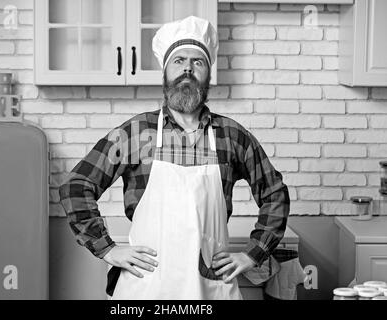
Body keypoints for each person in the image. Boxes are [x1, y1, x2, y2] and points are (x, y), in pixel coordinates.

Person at [59, 16, 290, 300]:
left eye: (198, 62)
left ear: (208, 74)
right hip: (147, 285)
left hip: (209, 288)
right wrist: (107, 248)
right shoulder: (137, 133)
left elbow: (274, 193)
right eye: (179, 61)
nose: (188, 70)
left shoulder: (231, 136)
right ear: (165, 71)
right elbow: (77, 184)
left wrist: (253, 254)